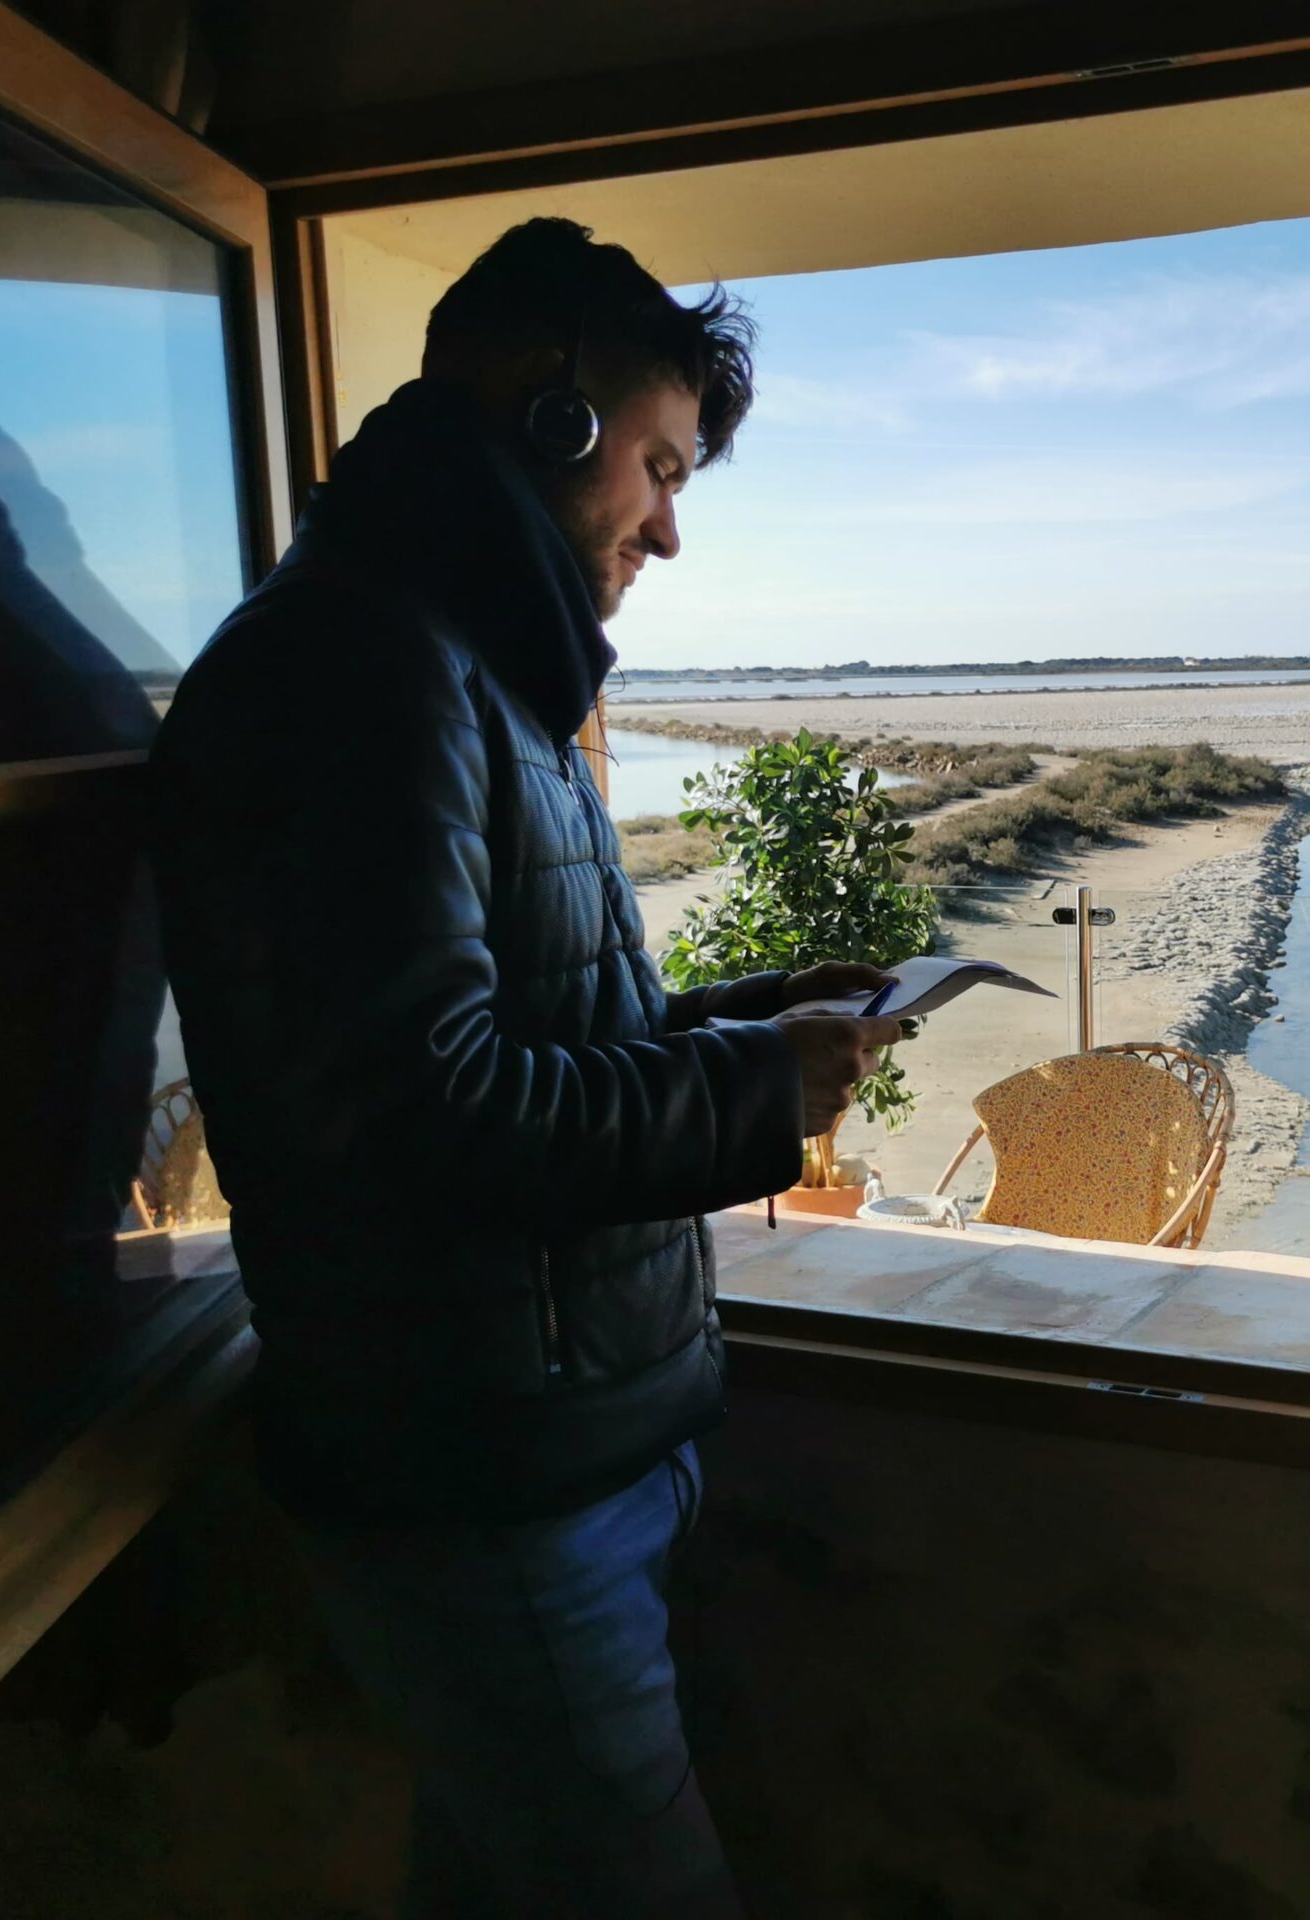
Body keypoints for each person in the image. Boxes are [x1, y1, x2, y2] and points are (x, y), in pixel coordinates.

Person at [149, 218, 901, 1916]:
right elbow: (424, 1114)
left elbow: (533, 1030)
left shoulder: (472, 664)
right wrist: (759, 1091)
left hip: (556, 1459)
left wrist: (760, 1014)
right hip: (486, 1490)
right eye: (658, 466)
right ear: (546, 413)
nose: (670, 528)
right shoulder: (361, 669)